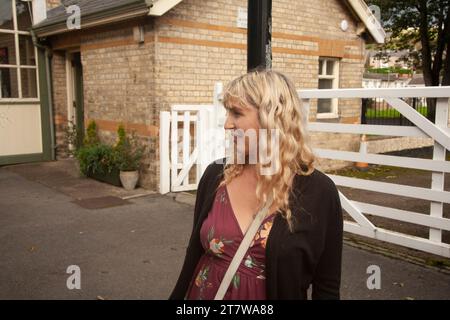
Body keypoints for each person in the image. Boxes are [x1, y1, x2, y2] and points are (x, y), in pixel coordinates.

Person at [169, 69, 343, 300]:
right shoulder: (215, 176)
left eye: (237, 113)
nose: (227, 125)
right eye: (227, 113)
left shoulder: (320, 192)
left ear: (272, 118)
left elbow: (327, 286)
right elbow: (194, 256)